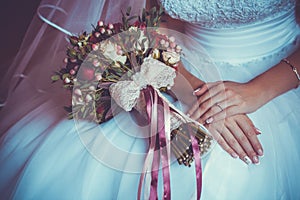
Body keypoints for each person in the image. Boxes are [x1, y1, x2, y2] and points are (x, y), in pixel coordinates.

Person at [0, 0, 299, 200]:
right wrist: (190, 88)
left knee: (230, 174)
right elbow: (160, 20)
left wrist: (257, 91)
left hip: (278, 73)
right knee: (61, 153)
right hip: (179, 64)